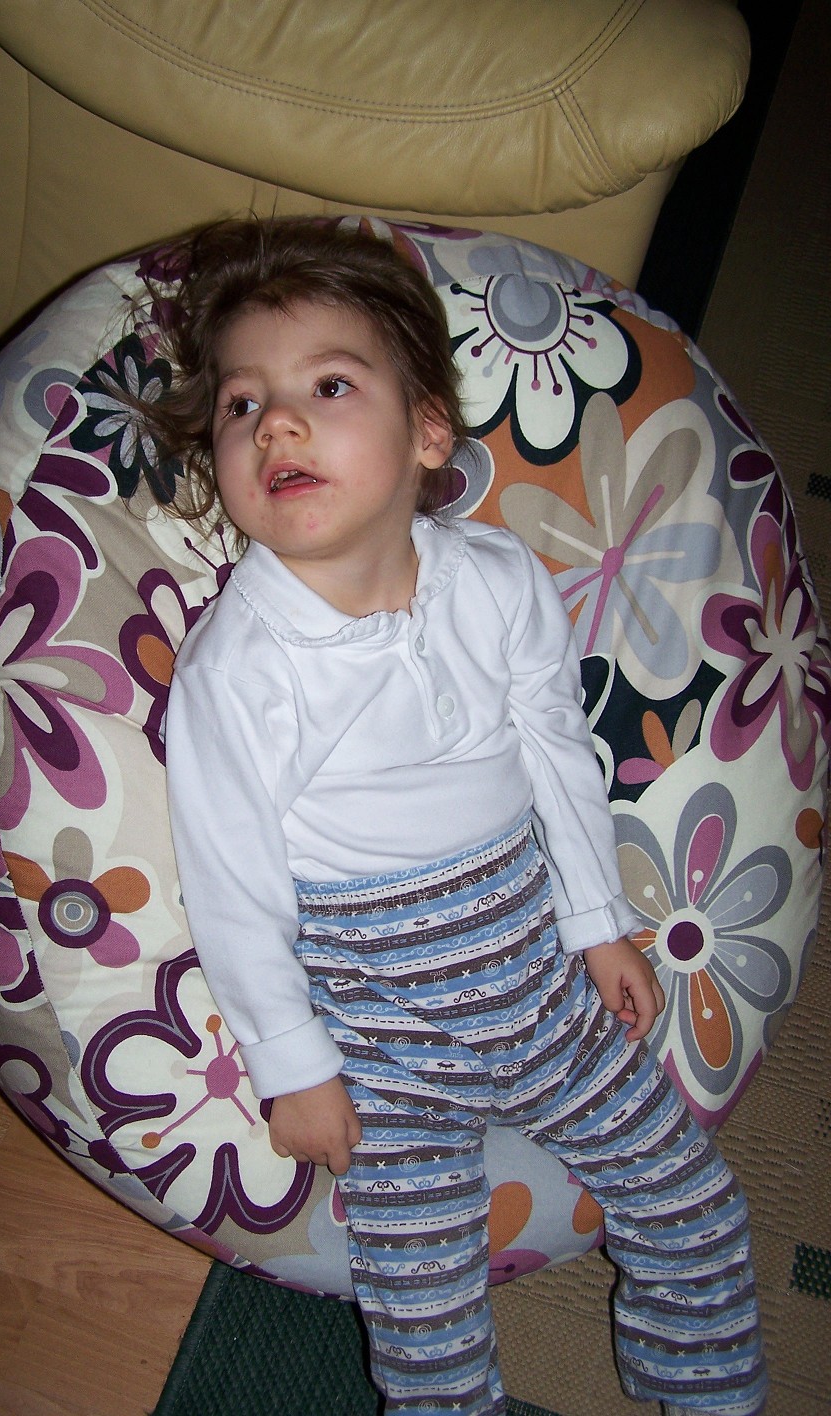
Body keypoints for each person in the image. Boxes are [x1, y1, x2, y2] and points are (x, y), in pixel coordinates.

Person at [155, 217, 766, 1416]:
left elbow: (556, 749)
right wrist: (293, 1064)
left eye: (328, 386)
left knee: (693, 1201)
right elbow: (228, 879)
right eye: (242, 404)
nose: (275, 425)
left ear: (427, 432)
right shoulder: (238, 667)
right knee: (422, 1310)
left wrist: (596, 922)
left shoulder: (497, 581)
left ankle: (707, 1390)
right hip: (381, 1037)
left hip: (539, 986)